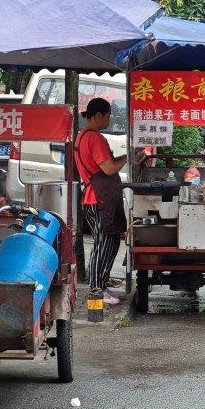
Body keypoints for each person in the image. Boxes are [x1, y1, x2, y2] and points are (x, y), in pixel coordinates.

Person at [74, 98, 127, 306]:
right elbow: (108, 169)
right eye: (108, 115)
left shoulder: (82, 136)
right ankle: (96, 291)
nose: (109, 119)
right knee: (102, 244)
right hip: (98, 198)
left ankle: (102, 284)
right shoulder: (94, 138)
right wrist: (127, 157)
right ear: (97, 115)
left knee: (111, 241)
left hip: (96, 196)